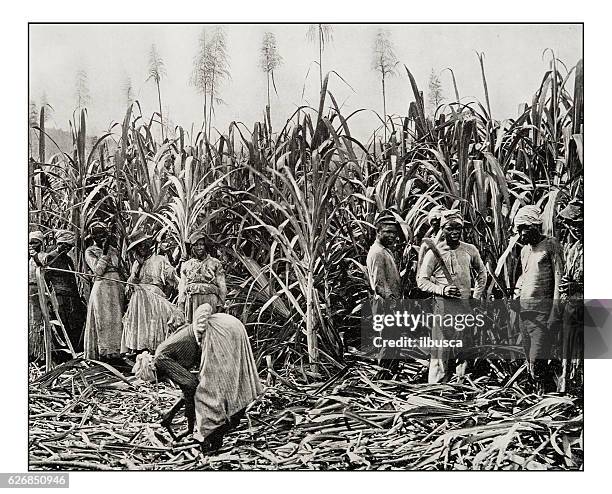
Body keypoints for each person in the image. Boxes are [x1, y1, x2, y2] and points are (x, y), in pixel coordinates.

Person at [417, 209, 487, 384]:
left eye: (458, 228)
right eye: (450, 228)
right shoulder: (434, 252)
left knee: (463, 351)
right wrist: (442, 290)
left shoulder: (470, 250)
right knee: (440, 353)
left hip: (465, 308)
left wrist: (476, 297)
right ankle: (436, 390)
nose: (455, 232)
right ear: (443, 229)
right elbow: (421, 281)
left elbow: (481, 274)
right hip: (443, 309)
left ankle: (459, 387)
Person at [192, 303, 263, 452]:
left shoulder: (197, 333)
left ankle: (208, 435)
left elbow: (192, 383)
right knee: (233, 374)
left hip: (220, 331)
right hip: (232, 327)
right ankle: (226, 419)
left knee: (208, 388)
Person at [514, 205, 564, 394]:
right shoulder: (525, 251)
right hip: (525, 312)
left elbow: (558, 279)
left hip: (542, 313)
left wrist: (555, 313)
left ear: (535, 225)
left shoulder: (551, 245)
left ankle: (547, 399)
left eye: (524, 228)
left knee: (538, 358)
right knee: (529, 359)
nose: (521, 233)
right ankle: (536, 399)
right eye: (518, 229)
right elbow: (524, 277)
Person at [121, 231, 183, 354]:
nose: (141, 248)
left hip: (155, 297)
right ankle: (141, 350)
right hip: (139, 300)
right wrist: (138, 266)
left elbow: (172, 277)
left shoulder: (159, 259)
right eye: (138, 246)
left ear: (148, 243)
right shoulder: (136, 264)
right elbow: (130, 286)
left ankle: (155, 350)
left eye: (143, 244)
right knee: (139, 296)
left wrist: (172, 259)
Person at [366, 212, 402, 374]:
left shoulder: (385, 251)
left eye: (394, 232)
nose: (392, 235)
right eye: (387, 231)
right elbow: (378, 285)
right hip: (385, 304)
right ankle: (384, 382)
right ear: (378, 232)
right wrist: (393, 303)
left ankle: (389, 378)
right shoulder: (377, 252)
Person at [83, 222, 126, 360]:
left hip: (115, 286)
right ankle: (104, 353)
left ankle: (116, 353)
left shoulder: (114, 250)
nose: (100, 236)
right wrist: (105, 252)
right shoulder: (90, 251)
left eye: (102, 233)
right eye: (96, 233)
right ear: (92, 235)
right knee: (103, 318)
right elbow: (98, 271)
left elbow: (120, 268)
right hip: (102, 287)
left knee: (116, 318)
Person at [154, 321, 202, 440]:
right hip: (163, 358)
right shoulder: (161, 359)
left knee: (189, 386)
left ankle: (169, 415)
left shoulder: (196, 330)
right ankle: (189, 429)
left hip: (171, 353)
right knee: (191, 385)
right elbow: (190, 385)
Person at [44, 230, 86, 353]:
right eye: (64, 245)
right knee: (62, 323)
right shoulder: (50, 257)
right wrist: (50, 299)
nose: (66, 248)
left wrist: (77, 296)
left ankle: (75, 350)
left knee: (75, 323)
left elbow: (72, 279)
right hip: (59, 296)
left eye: (69, 246)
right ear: (58, 243)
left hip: (71, 296)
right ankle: (63, 352)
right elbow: (46, 279)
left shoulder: (68, 259)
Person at [556, 199, 583, 393]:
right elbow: (567, 276)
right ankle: (569, 390)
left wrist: (580, 285)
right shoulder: (574, 249)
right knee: (569, 349)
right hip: (572, 306)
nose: (576, 229)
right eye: (572, 225)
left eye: (580, 224)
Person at [178, 232, 227, 322]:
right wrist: (181, 304)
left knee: (210, 328)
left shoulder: (215, 263)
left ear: (206, 246)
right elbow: (182, 287)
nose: (199, 247)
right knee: (192, 329)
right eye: (195, 245)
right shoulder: (187, 265)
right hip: (192, 301)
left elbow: (222, 286)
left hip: (210, 300)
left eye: (201, 244)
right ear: (192, 247)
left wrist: (220, 303)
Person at [28, 231, 46, 361]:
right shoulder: (29, 258)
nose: (32, 245)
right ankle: (31, 352)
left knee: (39, 320)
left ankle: (41, 353)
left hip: (39, 289)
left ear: (41, 243)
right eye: (30, 242)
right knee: (31, 319)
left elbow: (42, 267)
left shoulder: (44, 256)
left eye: (35, 242)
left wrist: (35, 257)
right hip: (29, 289)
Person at [416, 204, 445, 274]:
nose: (436, 222)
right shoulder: (426, 244)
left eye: (439, 220)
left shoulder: (451, 242)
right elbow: (420, 267)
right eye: (434, 220)